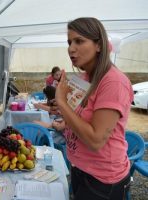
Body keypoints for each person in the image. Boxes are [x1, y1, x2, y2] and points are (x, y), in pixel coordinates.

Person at [55, 17, 133, 200]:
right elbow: (78, 119)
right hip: (79, 168)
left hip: (103, 180)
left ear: (99, 45)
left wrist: (62, 103)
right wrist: (62, 112)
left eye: (79, 41)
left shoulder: (114, 82)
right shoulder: (84, 78)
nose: (71, 48)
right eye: (69, 42)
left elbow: (95, 140)